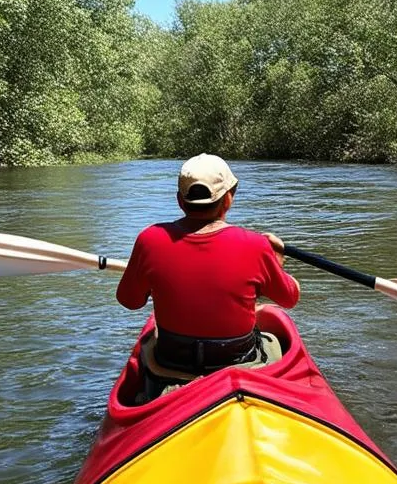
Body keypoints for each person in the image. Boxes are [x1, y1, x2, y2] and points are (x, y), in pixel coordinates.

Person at [116, 153, 300, 394]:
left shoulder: (149, 240)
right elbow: (290, 298)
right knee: (274, 341)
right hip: (237, 360)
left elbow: (129, 301)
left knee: (150, 344)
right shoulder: (256, 245)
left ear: (180, 201)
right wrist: (276, 262)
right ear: (229, 200)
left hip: (171, 361)